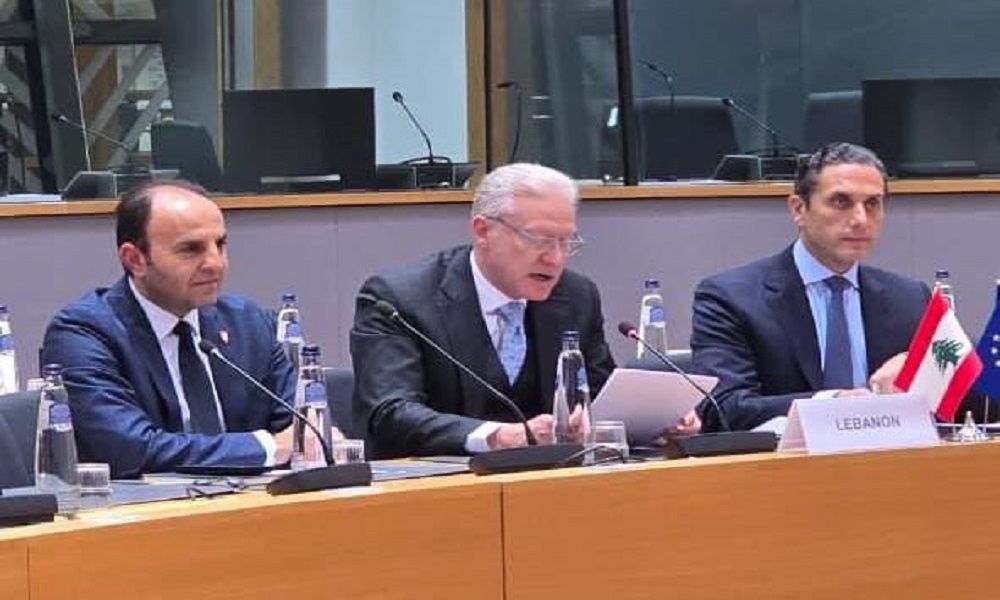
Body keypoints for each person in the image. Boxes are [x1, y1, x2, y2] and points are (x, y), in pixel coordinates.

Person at [351, 163, 634, 459]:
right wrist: (497, 436)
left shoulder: (576, 296)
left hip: (552, 477)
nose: (555, 258)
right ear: (483, 231)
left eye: (566, 242)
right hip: (440, 479)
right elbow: (390, 414)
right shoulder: (399, 300)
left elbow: (602, 398)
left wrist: (652, 422)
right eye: (538, 240)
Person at [42, 180, 295, 477]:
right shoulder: (84, 333)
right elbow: (128, 450)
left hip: (255, 502)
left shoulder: (248, 323)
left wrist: (305, 439)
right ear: (135, 259)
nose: (215, 263)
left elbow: (307, 428)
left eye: (220, 244)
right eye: (191, 249)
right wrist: (265, 448)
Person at [691, 142, 931, 432]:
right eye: (841, 202)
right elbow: (722, 408)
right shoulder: (731, 298)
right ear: (799, 209)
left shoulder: (910, 298)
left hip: (889, 456)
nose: (860, 220)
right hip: (783, 459)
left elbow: (968, 399)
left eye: (872, 204)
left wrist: (924, 370)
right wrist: (832, 403)